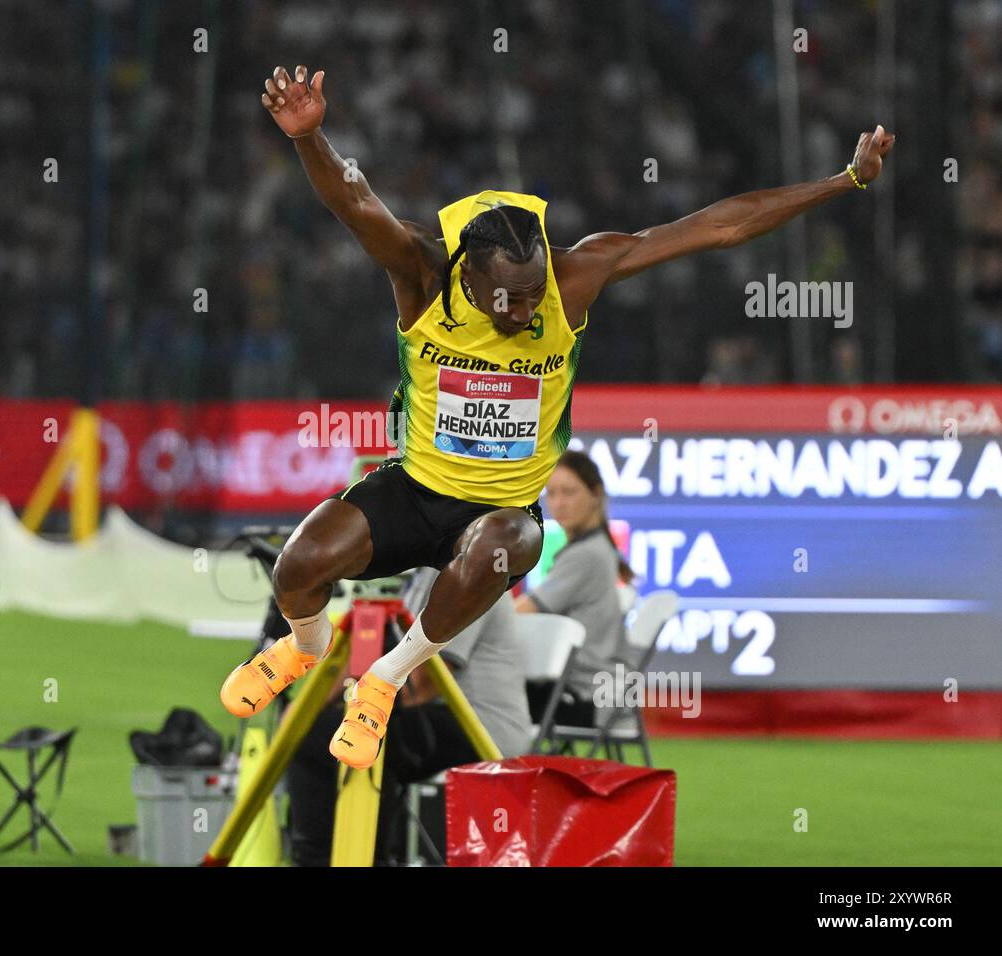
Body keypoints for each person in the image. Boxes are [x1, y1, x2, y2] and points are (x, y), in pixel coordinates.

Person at [221, 63, 895, 771]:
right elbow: (354, 203)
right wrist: (309, 138)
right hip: (413, 489)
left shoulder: (574, 278)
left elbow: (717, 227)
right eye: (503, 299)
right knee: (298, 565)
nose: (520, 312)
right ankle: (302, 646)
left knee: (510, 541)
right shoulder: (423, 272)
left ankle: (385, 681)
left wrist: (842, 182)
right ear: (466, 275)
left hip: (502, 510)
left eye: (530, 292)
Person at [284, 567, 530, 866]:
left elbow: (424, 683)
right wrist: (308, 709)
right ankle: (326, 856)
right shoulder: (421, 575)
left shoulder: (474, 577)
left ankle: (360, 857)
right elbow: (368, 664)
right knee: (314, 730)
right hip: (432, 713)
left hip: (481, 724)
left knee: (343, 738)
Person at [514, 450, 636, 730]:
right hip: (599, 694)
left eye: (569, 492)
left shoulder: (587, 555)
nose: (559, 503)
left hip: (584, 697)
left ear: (596, 494)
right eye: (552, 493)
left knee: (486, 701)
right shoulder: (597, 548)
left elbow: (522, 613)